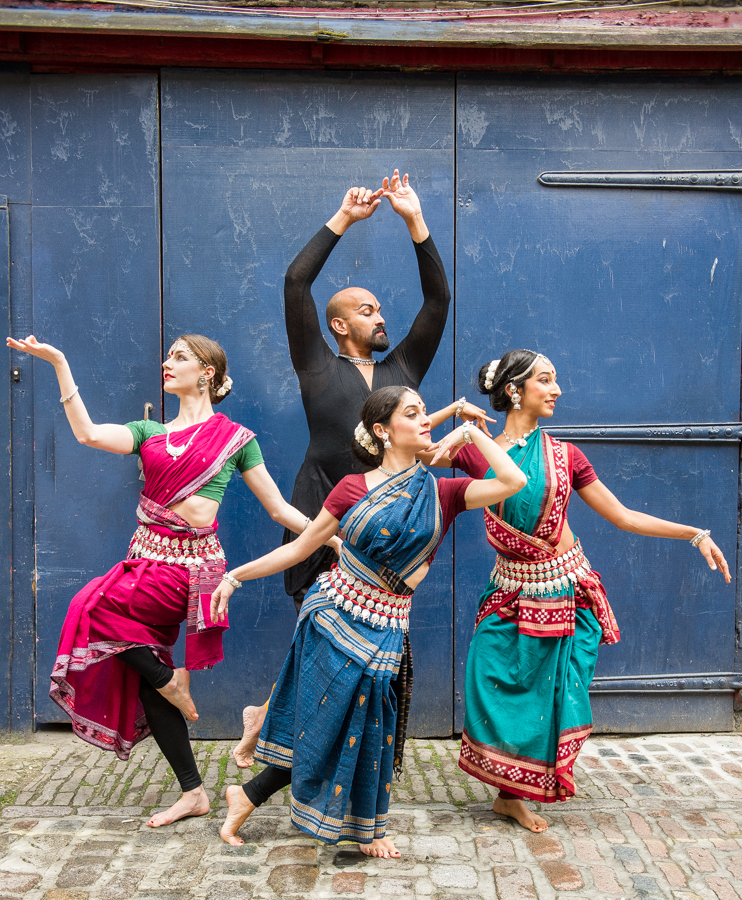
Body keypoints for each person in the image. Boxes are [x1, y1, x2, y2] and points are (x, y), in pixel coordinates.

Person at [6, 332, 325, 829]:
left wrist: (333, 537)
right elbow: (88, 433)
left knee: (91, 608)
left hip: (193, 572)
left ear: (208, 373)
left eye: (180, 357)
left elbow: (280, 507)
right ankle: (193, 790)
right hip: (145, 558)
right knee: (143, 673)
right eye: (168, 355)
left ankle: (169, 679)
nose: (166, 362)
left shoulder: (237, 439)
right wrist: (59, 361)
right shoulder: (149, 432)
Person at [210, 385, 528, 857]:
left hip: (388, 625)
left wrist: (469, 434)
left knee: (364, 726)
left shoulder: (443, 493)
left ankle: (272, 801)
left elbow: (512, 482)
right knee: (326, 720)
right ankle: (269, 800)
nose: (426, 420)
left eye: (426, 412)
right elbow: (300, 548)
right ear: (382, 430)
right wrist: (234, 576)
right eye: (413, 413)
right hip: (333, 614)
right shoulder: (351, 488)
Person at [427, 349, 730, 833]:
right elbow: (411, 443)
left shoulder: (567, 456)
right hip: (509, 590)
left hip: (562, 590)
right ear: (513, 390)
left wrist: (694, 533)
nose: (557, 390)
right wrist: (455, 415)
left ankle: (512, 797)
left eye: (555, 380)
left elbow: (623, 516)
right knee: (491, 678)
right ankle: (509, 789)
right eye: (545, 380)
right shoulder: (476, 449)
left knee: (548, 693)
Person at [233, 169, 463, 770]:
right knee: (325, 646)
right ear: (339, 325)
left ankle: (327, 748)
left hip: (383, 521)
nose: (379, 316)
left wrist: (416, 223)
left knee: (374, 650)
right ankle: (307, 751)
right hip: (319, 512)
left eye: (380, 308)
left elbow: (438, 300)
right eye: (367, 309)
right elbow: (295, 280)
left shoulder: (404, 371)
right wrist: (344, 219)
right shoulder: (315, 364)